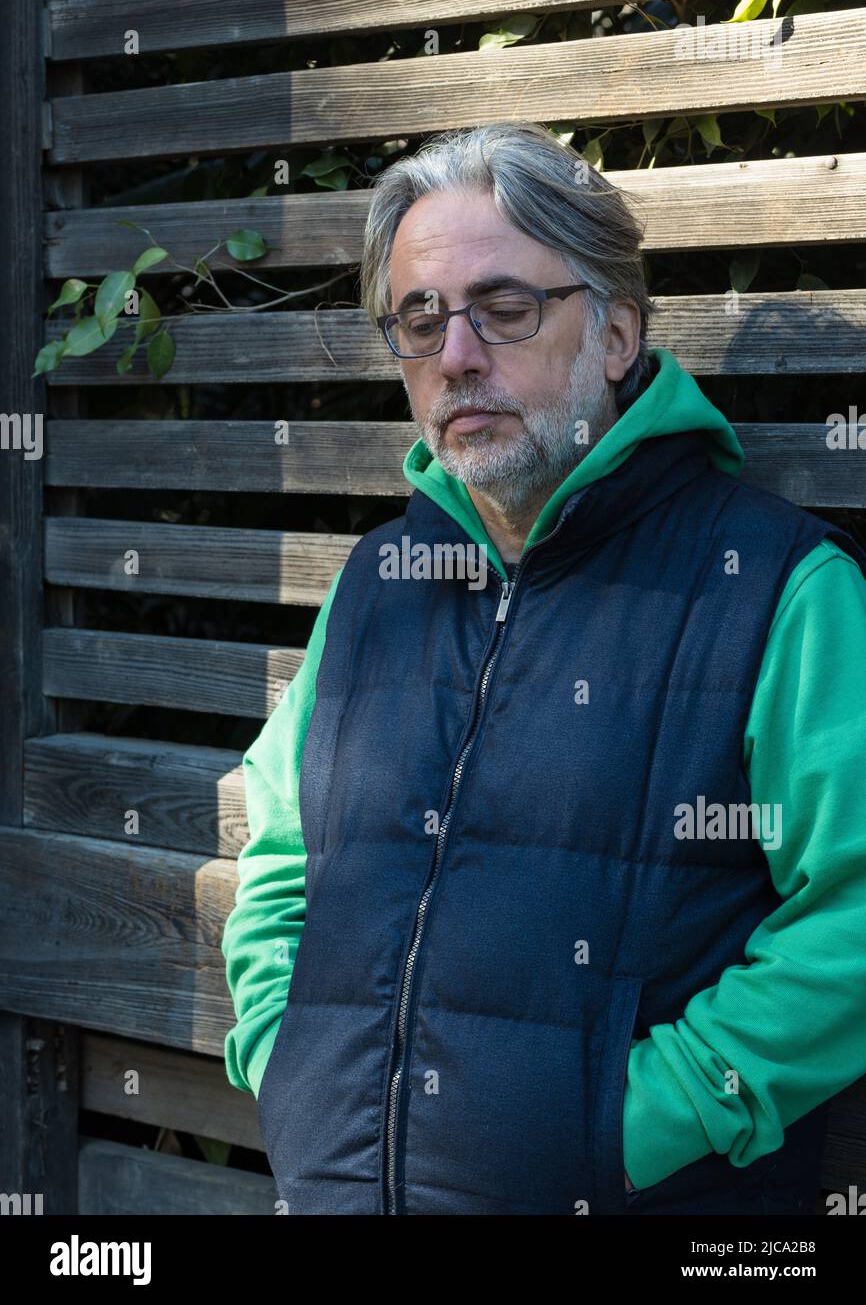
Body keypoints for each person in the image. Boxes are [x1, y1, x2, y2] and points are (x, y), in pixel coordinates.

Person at [221, 121, 866, 1216]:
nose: (455, 355)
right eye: (418, 320)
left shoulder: (778, 586)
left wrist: (632, 1122)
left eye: (503, 310)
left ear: (614, 333)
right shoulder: (378, 580)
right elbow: (280, 847)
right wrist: (284, 1055)